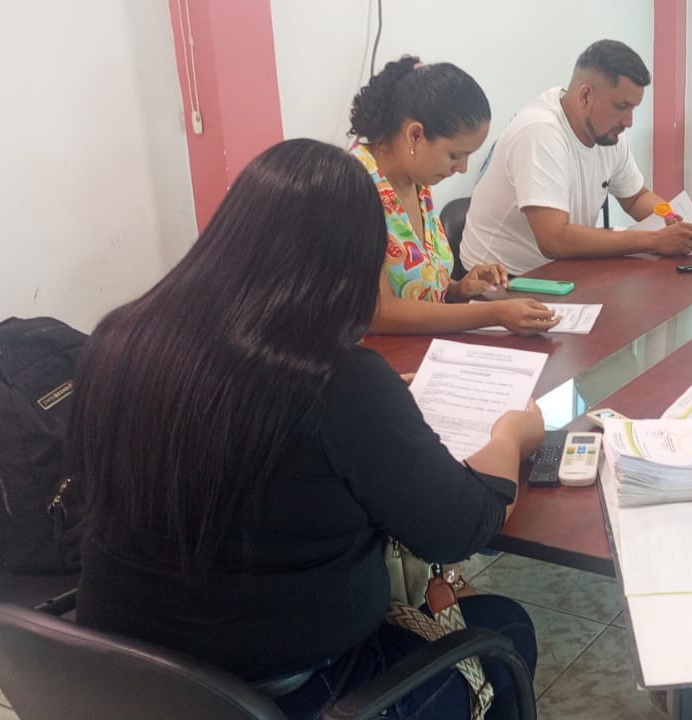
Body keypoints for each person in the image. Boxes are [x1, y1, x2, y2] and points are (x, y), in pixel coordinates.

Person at [68, 139, 543, 719]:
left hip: (117, 678)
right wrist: (511, 436)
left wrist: (379, 403)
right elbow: (460, 528)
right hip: (284, 692)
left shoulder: (117, 340)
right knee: (504, 630)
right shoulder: (337, 380)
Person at [459, 39, 692, 276]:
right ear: (585, 95)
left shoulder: (608, 134)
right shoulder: (540, 132)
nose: (629, 121)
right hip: (500, 281)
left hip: (560, 271)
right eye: (621, 107)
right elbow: (554, 239)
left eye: (633, 108)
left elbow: (637, 198)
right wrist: (654, 240)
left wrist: (680, 219)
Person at [349, 56, 560, 335]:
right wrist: (494, 313)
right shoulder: (353, 185)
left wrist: (458, 288)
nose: (462, 169)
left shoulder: (416, 181)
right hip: (380, 355)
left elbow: (410, 284)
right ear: (415, 135)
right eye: (455, 156)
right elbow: (379, 312)